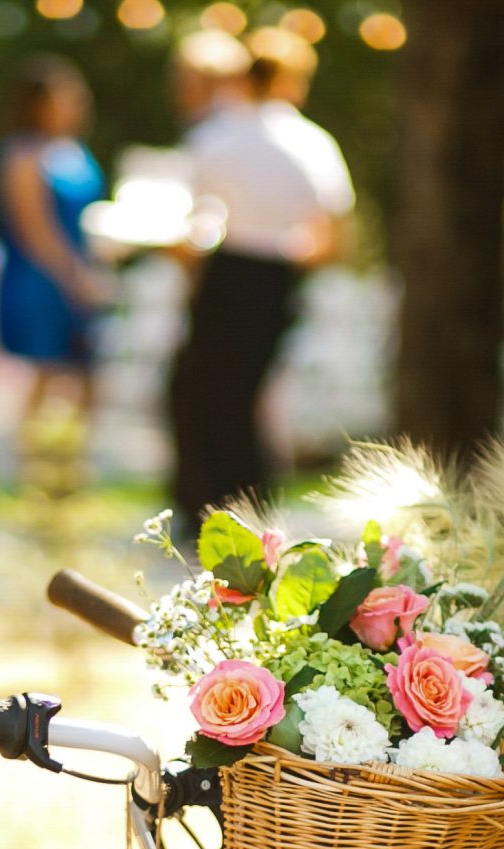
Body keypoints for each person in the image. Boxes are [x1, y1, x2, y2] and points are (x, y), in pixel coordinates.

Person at [167, 26, 352, 541]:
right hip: (275, 276)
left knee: (205, 391)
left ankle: (206, 502)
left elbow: (192, 222)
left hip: (227, 271)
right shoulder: (312, 144)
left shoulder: (217, 136)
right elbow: (331, 232)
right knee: (249, 393)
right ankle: (251, 502)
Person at [0, 57, 108, 437]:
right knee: (46, 372)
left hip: (83, 269)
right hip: (42, 278)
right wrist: (74, 276)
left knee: (89, 375)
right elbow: (34, 230)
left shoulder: (74, 149)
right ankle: (35, 471)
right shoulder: (23, 154)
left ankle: (71, 470)